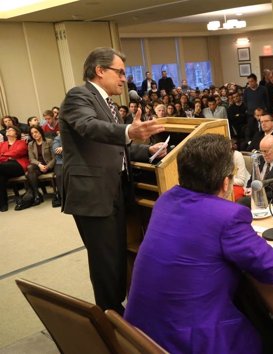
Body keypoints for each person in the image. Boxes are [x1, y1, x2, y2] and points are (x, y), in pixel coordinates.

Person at [125, 134, 273, 354]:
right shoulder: (228, 216)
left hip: (136, 337)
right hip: (191, 342)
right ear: (226, 182)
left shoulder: (165, 200)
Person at [59, 47, 166, 313]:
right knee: (105, 259)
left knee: (118, 252)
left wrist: (147, 149)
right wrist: (129, 129)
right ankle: (109, 316)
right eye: (119, 72)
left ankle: (119, 309)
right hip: (93, 192)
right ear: (99, 70)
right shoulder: (79, 96)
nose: (123, 79)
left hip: (116, 187)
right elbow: (90, 128)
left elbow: (117, 146)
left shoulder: (107, 104)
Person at [16, 126, 55, 210]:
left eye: (36, 132)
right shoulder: (31, 144)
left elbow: (54, 158)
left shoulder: (49, 141)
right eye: (32, 133)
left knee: (28, 174)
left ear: (40, 131)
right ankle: (37, 194)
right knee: (30, 168)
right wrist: (39, 165)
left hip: (49, 165)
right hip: (38, 166)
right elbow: (31, 159)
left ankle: (37, 196)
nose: (34, 134)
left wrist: (47, 167)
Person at [0, 126, 29, 212]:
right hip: (3, 167)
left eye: (10, 130)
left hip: (18, 165)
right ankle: (3, 204)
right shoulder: (2, 144)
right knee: (0, 177)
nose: (8, 131)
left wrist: (3, 156)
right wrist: (7, 157)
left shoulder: (21, 142)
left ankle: (3, 203)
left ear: (16, 133)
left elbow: (17, 153)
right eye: (7, 130)